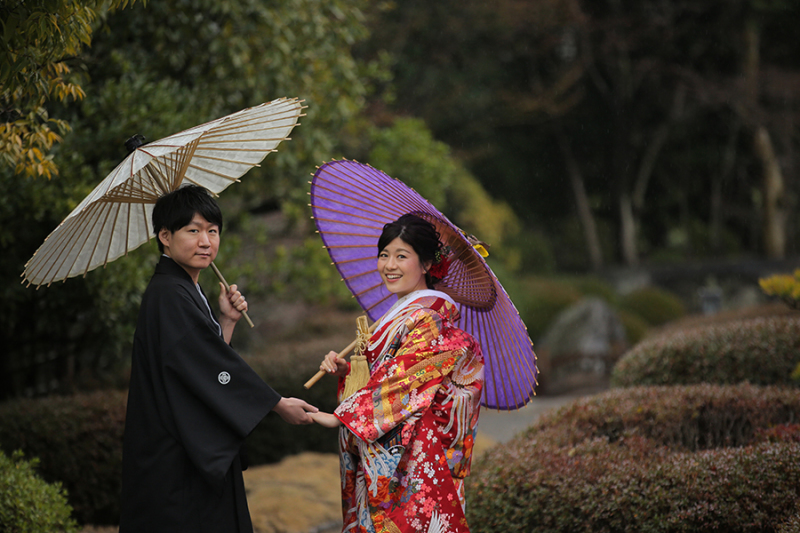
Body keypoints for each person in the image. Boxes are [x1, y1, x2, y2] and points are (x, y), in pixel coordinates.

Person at [119, 185, 318, 533]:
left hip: (184, 450)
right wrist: (276, 403)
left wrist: (225, 321)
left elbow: (200, 364)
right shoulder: (169, 294)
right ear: (165, 236)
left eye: (212, 231)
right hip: (176, 456)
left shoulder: (183, 288)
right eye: (192, 230)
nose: (205, 241)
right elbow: (208, 366)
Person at [311, 214, 484, 533]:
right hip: (392, 442)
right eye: (384, 254)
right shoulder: (404, 312)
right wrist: (350, 370)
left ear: (428, 264)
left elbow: (405, 380)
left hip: (415, 454)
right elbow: (387, 371)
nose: (389, 265)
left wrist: (343, 416)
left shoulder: (431, 318)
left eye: (401, 256)